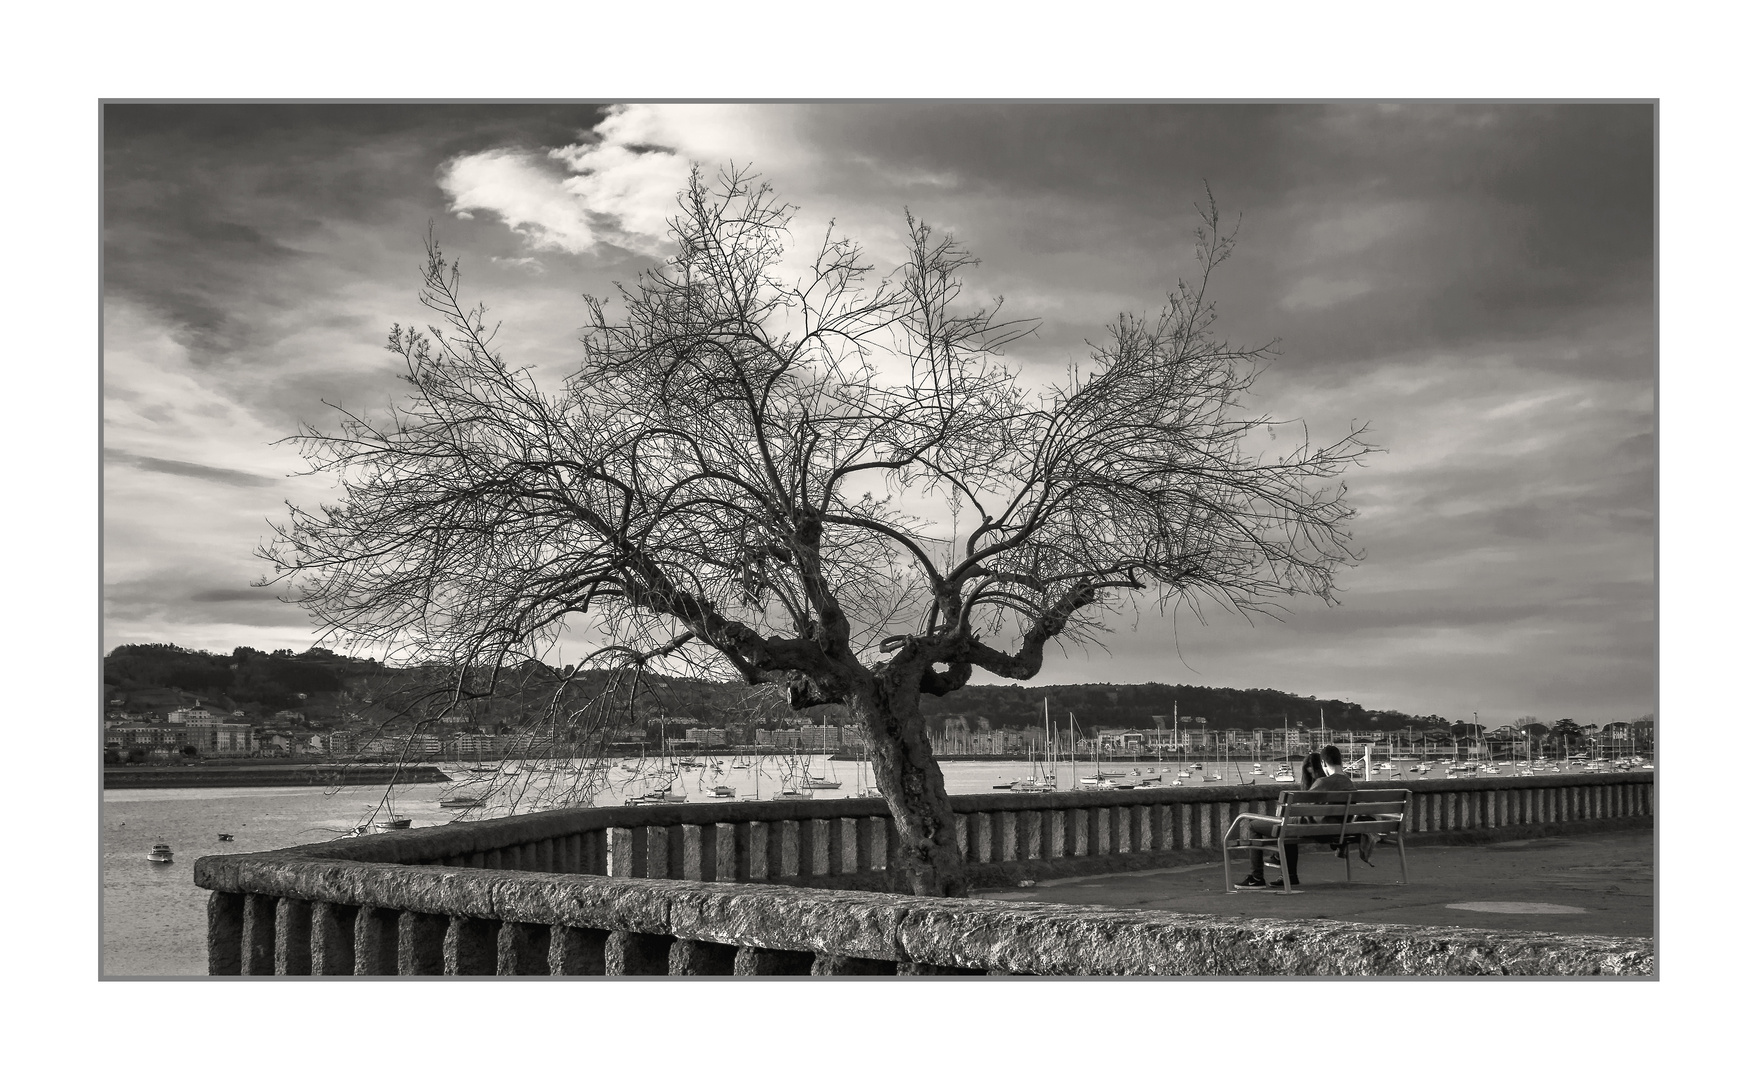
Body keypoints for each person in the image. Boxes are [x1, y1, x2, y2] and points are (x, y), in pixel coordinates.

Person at [1236, 745, 1353, 889]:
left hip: (1313, 829)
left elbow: (1303, 808)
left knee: (1253, 825)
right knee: (1289, 827)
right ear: (1340, 760)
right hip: (1336, 831)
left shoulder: (1322, 783)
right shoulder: (1349, 784)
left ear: (1323, 763)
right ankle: (1289, 876)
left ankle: (1256, 877)